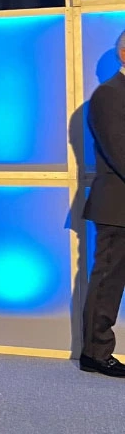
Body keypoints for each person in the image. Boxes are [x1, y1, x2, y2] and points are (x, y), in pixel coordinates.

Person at [81, 30, 125, 378]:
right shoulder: (109, 94)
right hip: (117, 207)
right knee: (108, 281)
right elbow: (120, 153)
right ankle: (96, 353)